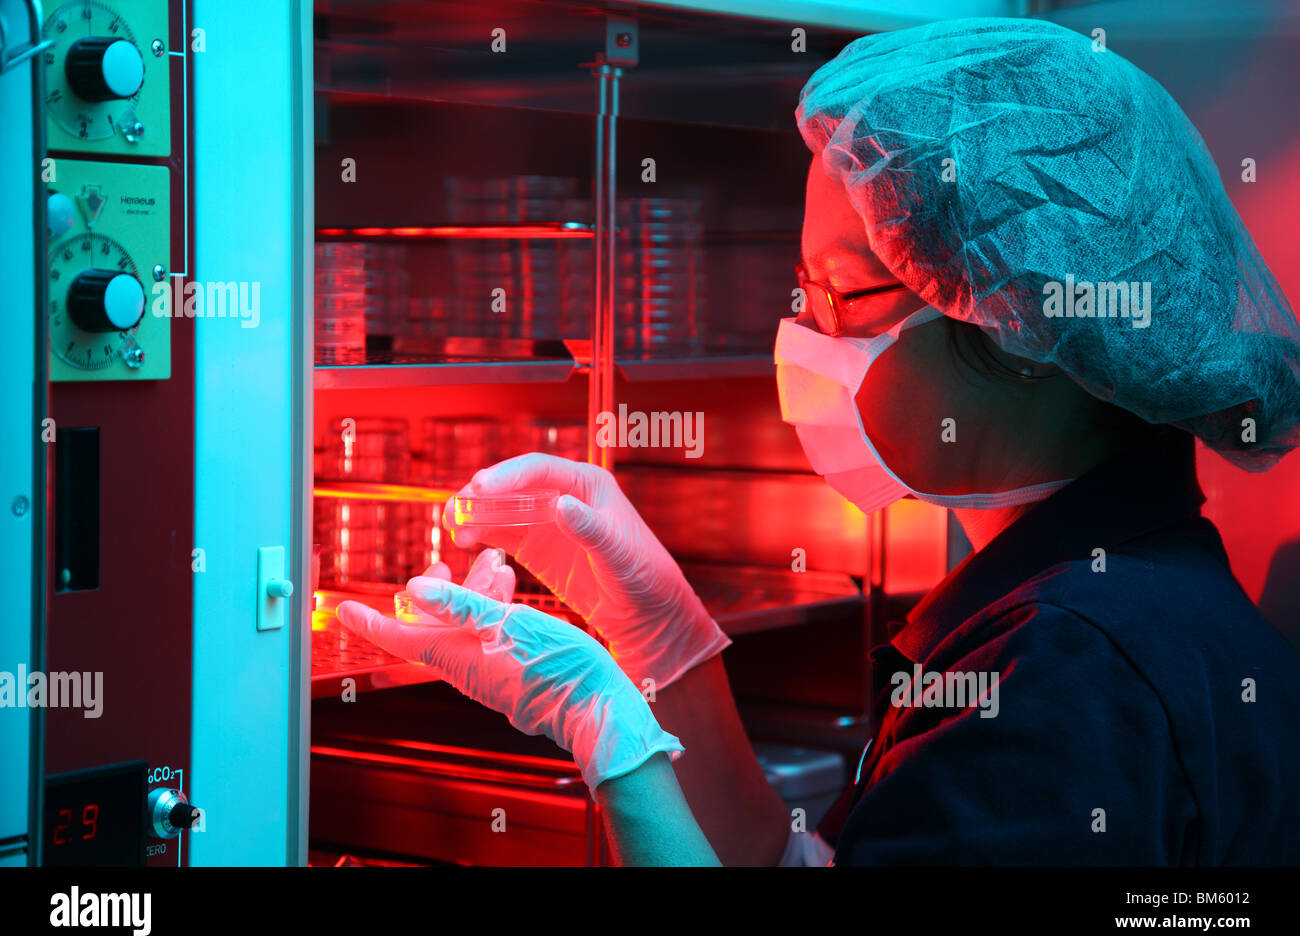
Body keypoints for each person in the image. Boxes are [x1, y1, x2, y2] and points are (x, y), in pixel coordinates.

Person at [338, 18, 1300, 866]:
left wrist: (615, 748)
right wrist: (666, 651)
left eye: (847, 294)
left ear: (1023, 334)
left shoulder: (1068, 678)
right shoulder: (1122, 591)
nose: (803, 336)